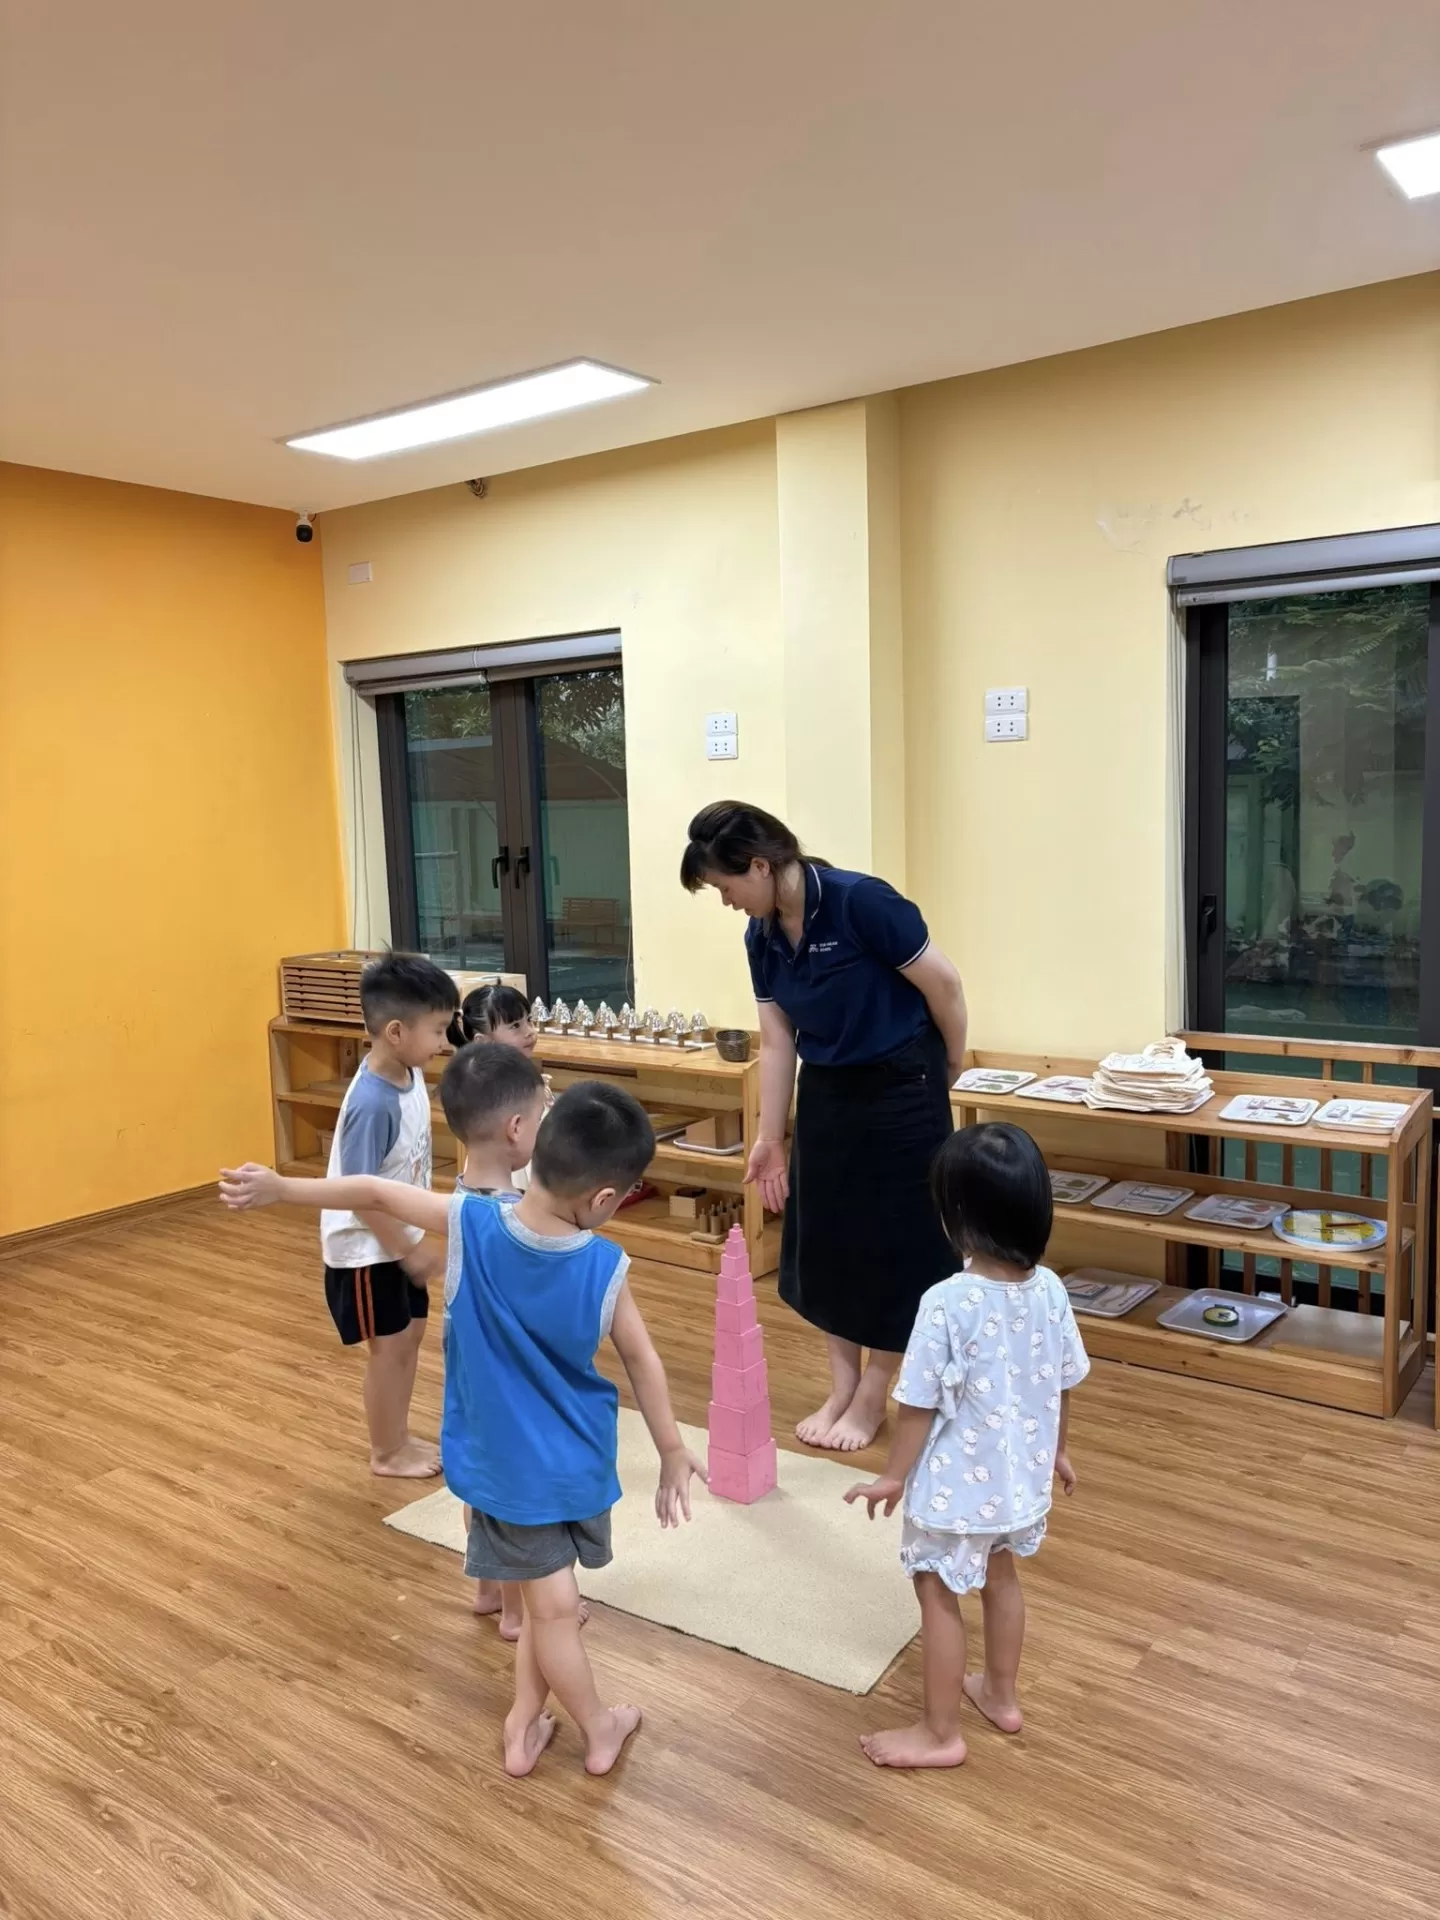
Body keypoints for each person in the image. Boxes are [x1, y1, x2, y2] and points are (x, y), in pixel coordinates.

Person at [223, 1081, 704, 1780]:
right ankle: (598, 1729)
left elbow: (376, 1192)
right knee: (553, 1609)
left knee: (543, 1604)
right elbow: (643, 1359)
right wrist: (672, 1449)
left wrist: (281, 1188)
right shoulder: (605, 1266)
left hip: (502, 1470)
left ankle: (521, 1725)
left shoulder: (473, 1224)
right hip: (567, 1469)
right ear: (606, 1199)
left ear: (536, 1147)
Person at [681, 801, 967, 1452]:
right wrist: (769, 1137)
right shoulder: (761, 937)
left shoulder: (860, 902)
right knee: (831, 1238)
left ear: (759, 866)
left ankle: (875, 1394)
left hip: (903, 1082)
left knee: (901, 1242)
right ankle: (843, 1385)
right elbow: (778, 1040)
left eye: (725, 886)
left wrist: (949, 1061)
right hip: (829, 1089)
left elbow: (945, 986)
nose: (726, 901)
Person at [845, 1123, 1089, 1769]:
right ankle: (1001, 1696)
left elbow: (916, 1404)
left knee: (935, 1591)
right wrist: (1058, 1451)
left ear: (956, 1217)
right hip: (1019, 1480)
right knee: (1001, 1578)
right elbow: (1062, 1383)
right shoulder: (1051, 1289)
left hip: (956, 1487)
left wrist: (893, 1477)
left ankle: (939, 1732)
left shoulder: (947, 1302)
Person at [319, 953, 458, 1479]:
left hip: (399, 1241)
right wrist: (407, 1249)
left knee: (410, 1337)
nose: (445, 1041)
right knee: (390, 1348)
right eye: (438, 1030)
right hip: (367, 1250)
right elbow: (358, 1194)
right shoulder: (373, 1104)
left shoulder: (408, 1070)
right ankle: (386, 1451)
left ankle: (397, 1436)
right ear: (396, 1031)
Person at [447, 982, 538, 1055]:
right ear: (482, 1042)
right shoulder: (478, 1073)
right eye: (515, 1025)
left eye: (529, 1019)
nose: (530, 1032)